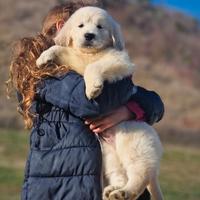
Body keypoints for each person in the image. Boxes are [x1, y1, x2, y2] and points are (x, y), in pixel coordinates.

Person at [7, 1, 164, 200]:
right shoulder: (46, 73)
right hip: (67, 182)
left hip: (80, 175)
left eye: (99, 26)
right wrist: (123, 90)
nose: (89, 31)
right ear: (63, 28)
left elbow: (154, 102)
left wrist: (130, 109)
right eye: (81, 24)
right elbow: (90, 102)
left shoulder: (90, 62)